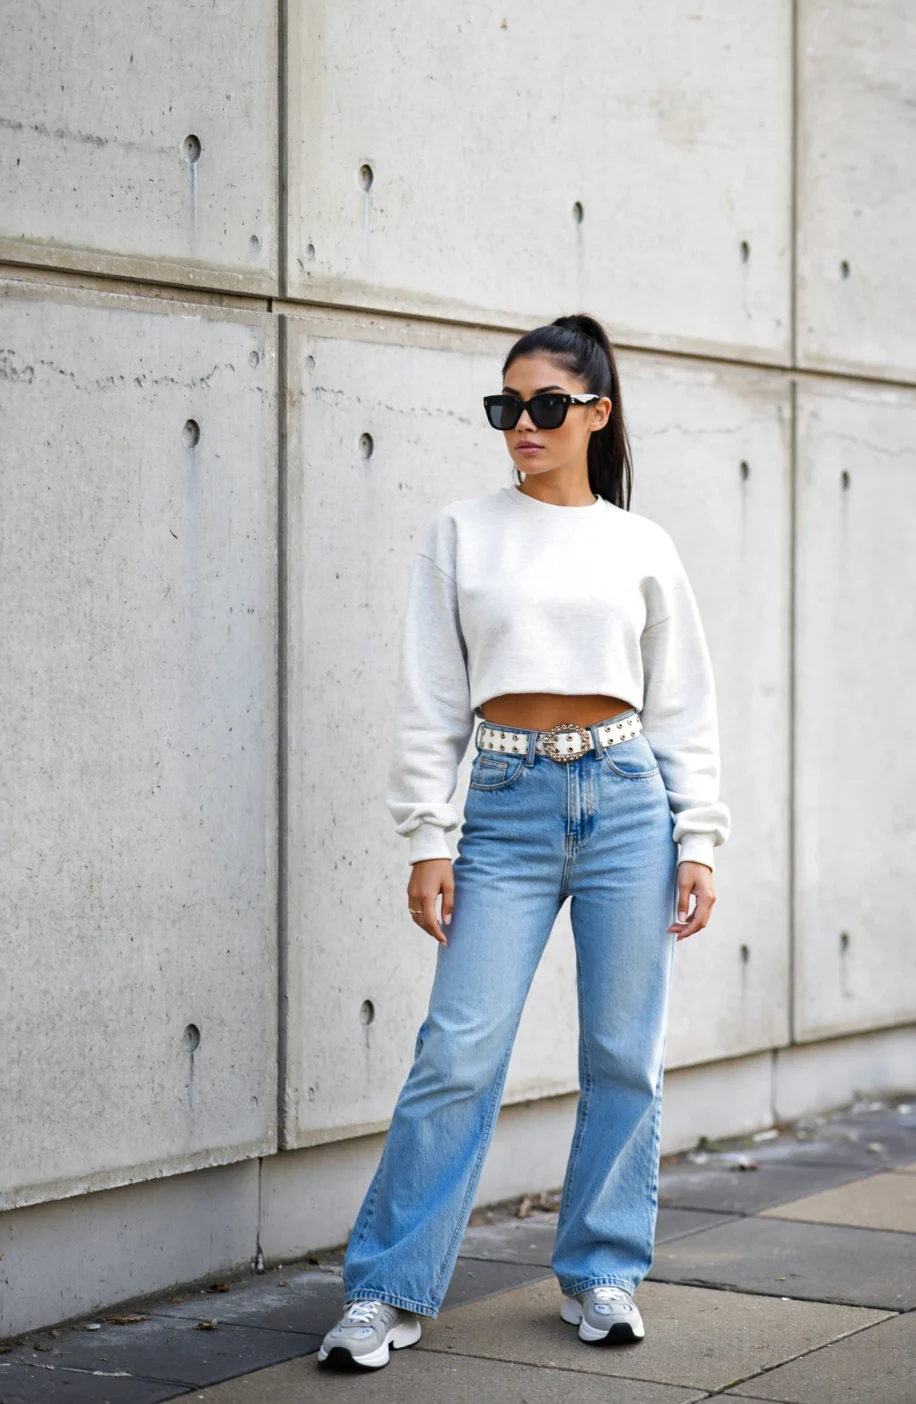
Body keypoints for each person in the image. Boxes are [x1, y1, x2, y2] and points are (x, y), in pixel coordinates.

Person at [317, 314, 731, 1370]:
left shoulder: (640, 544)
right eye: (506, 407)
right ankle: (385, 1291)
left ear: (596, 413)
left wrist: (700, 839)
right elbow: (430, 700)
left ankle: (601, 1271)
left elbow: (682, 706)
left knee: (620, 1055)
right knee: (456, 1052)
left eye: (545, 405)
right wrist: (428, 836)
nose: (522, 426)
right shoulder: (462, 532)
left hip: (628, 798)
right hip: (501, 800)